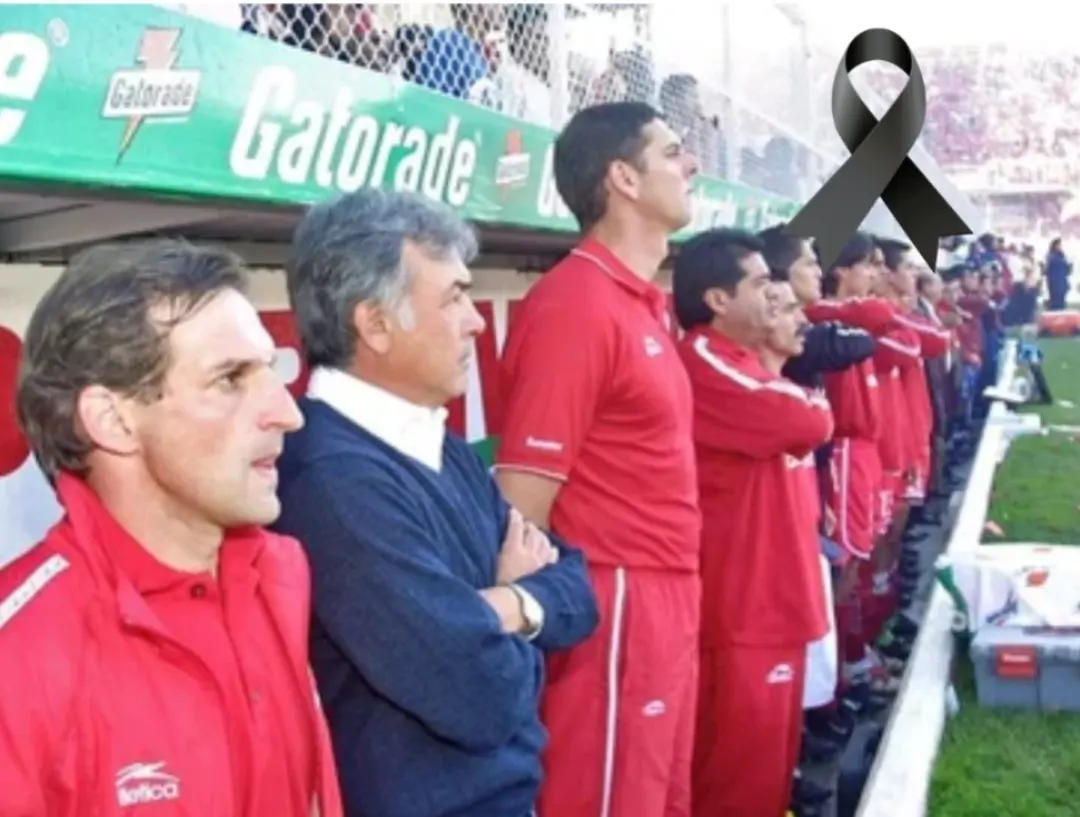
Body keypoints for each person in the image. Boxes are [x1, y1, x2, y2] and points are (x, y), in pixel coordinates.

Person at [273, 189, 599, 817]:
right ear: (374, 324)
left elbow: (579, 589)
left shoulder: (438, 444)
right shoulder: (333, 480)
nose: (475, 320)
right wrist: (527, 617)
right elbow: (482, 696)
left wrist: (502, 605)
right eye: (452, 297)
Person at [0, 241, 343, 817]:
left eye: (271, 369)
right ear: (113, 420)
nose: (289, 412)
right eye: (231, 379)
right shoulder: (20, 659)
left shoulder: (280, 572)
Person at [494, 101, 701, 817]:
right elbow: (522, 502)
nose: (692, 164)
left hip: (667, 590)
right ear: (624, 178)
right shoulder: (576, 304)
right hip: (616, 603)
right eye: (673, 151)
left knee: (661, 795)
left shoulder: (640, 303)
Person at [673, 228, 832, 817]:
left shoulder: (751, 365)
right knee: (735, 786)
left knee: (766, 778)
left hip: (773, 605)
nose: (776, 296)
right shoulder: (705, 358)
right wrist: (810, 401)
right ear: (718, 300)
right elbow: (808, 421)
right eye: (763, 283)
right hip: (741, 612)